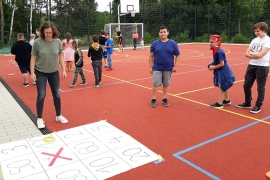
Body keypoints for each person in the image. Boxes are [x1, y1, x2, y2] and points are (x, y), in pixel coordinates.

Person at [30, 21, 68, 129]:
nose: (48, 34)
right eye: (46, 32)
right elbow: (33, 58)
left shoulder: (57, 42)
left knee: (56, 94)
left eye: (50, 32)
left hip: (54, 72)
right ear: (42, 32)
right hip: (40, 72)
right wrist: (32, 72)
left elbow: (60, 56)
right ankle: (40, 118)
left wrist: (64, 70)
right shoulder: (38, 42)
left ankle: (58, 115)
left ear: (53, 32)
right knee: (41, 95)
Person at [236, 22, 270, 113]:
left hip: (262, 67)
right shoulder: (254, 40)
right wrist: (254, 54)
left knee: (260, 87)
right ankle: (247, 102)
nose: (256, 33)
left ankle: (258, 105)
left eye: (258, 31)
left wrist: (252, 54)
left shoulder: (268, 41)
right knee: (246, 85)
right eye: (255, 31)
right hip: (251, 65)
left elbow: (260, 55)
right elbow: (246, 53)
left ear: (264, 30)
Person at [149, 26, 180, 108]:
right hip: (157, 67)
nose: (163, 33)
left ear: (168, 33)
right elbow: (151, 56)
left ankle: (164, 98)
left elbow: (178, 55)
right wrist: (150, 67)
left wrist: (176, 66)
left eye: (164, 32)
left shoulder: (173, 43)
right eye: (161, 32)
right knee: (156, 83)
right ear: (159, 33)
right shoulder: (155, 43)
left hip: (168, 67)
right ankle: (154, 99)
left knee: (166, 84)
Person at [208, 35, 235, 109]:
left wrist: (213, 67)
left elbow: (222, 64)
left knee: (222, 86)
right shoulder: (215, 50)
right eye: (210, 42)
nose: (210, 43)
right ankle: (227, 100)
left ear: (217, 43)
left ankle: (220, 103)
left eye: (212, 42)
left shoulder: (219, 51)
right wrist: (212, 63)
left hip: (223, 70)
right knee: (223, 84)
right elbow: (217, 61)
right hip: (220, 70)